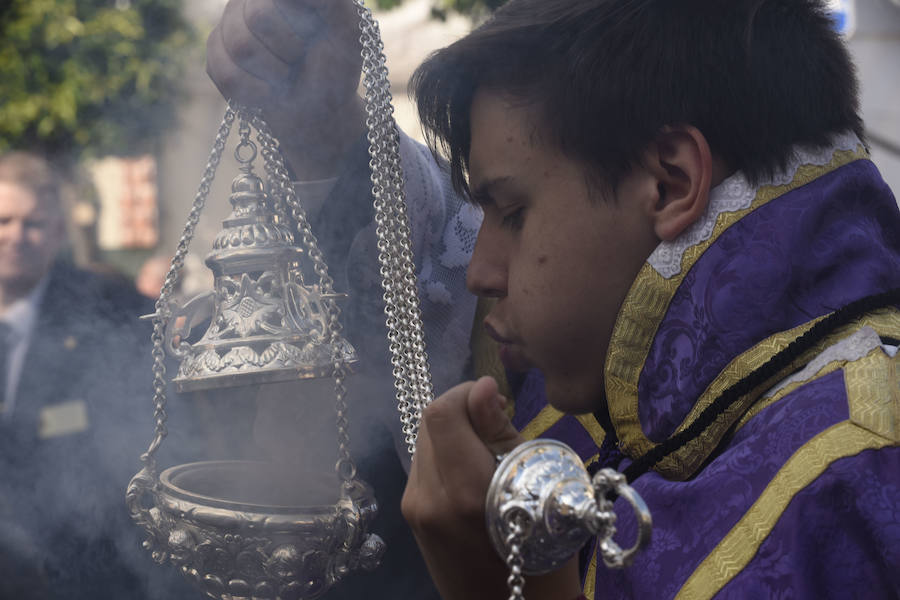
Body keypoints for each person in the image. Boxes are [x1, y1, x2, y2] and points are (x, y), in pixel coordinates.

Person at [208, 0, 899, 599]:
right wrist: (325, 131)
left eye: (510, 213)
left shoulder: (866, 471)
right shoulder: (641, 378)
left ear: (669, 182)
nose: (478, 271)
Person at [0, 151, 188, 599]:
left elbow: (160, 409)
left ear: (59, 233)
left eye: (33, 223)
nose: (15, 236)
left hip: (81, 568)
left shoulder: (104, 305)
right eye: (3, 220)